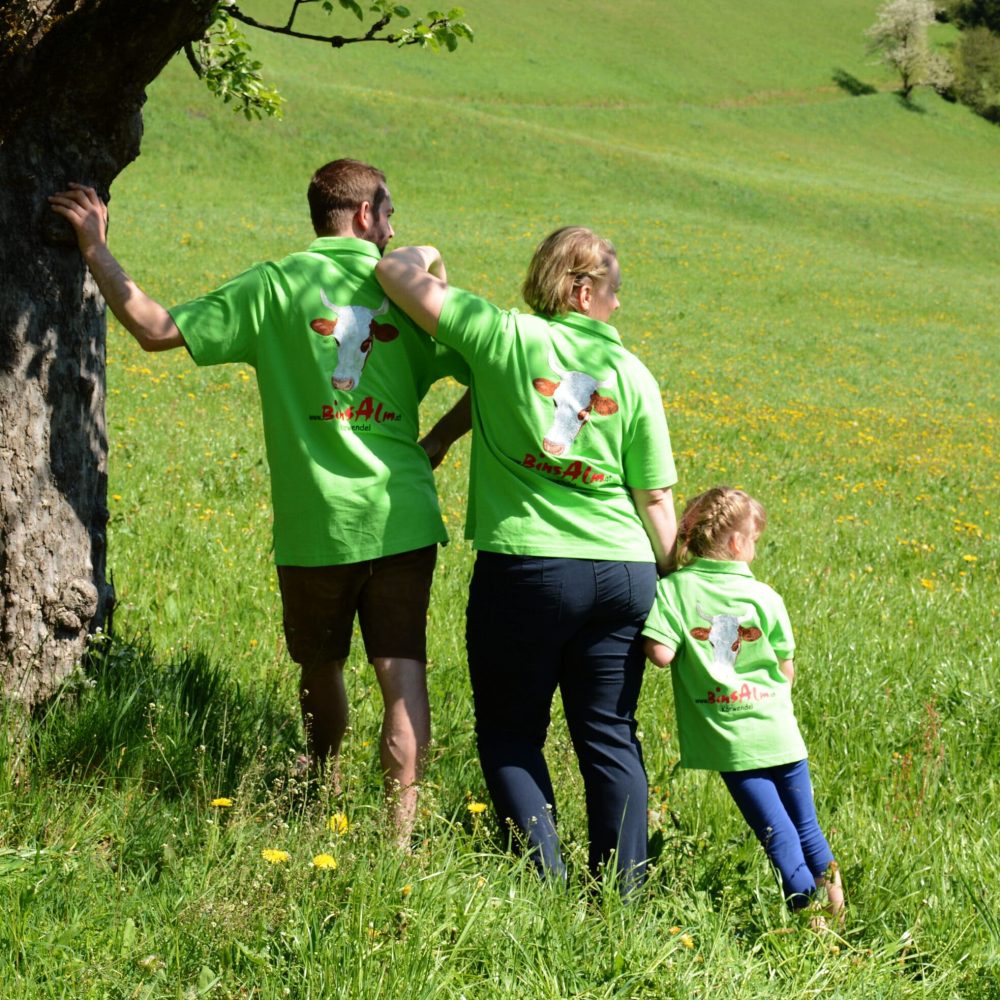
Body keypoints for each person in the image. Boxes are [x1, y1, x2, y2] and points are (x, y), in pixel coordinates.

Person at [49, 159, 471, 844]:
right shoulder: (412, 297)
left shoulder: (274, 285)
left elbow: (155, 328)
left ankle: (321, 782)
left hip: (314, 523)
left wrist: (95, 246)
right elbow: (499, 369)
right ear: (367, 216)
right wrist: (438, 440)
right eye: (391, 216)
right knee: (402, 673)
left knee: (320, 665)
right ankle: (401, 838)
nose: (396, 233)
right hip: (401, 515)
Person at [375, 227, 678, 892]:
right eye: (613, 292)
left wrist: (429, 253)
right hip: (624, 571)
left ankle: (544, 883)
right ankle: (622, 896)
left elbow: (393, 272)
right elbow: (654, 497)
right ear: (582, 288)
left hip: (529, 571)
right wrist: (681, 585)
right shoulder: (632, 374)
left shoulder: (502, 337)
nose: (618, 307)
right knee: (609, 736)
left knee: (512, 732)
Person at [643, 487, 845, 923]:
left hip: (734, 741)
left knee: (777, 834)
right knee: (806, 827)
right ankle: (838, 912)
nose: (754, 549)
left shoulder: (675, 590)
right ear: (737, 543)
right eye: (754, 540)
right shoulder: (766, 597)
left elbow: (660, 655)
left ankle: (811, 926)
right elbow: (785, 670)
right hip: (780, 731)